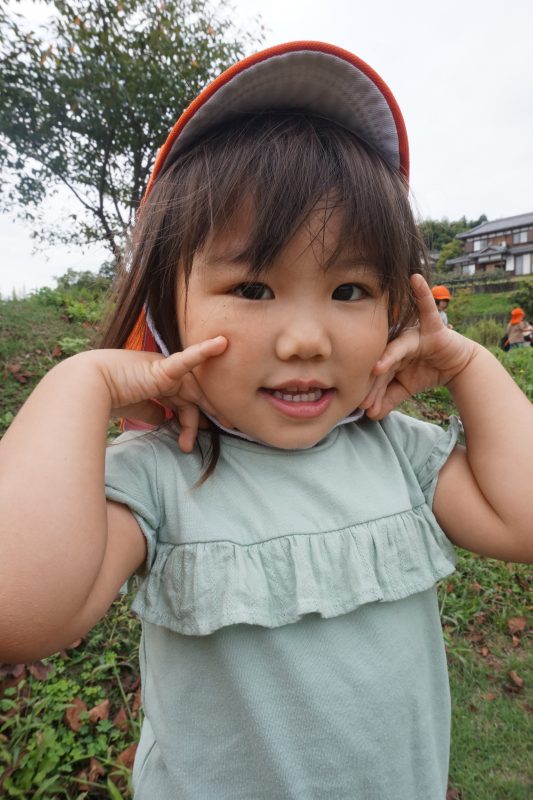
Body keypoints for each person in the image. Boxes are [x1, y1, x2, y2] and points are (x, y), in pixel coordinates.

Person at [1, 41, 532, 800]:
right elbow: (18, 610)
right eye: (252, 287)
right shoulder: (160, 475)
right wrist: (81, 381)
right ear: (165, 309)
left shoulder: (396, 455)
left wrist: (469, 363)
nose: (306, 338)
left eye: (349, 289)